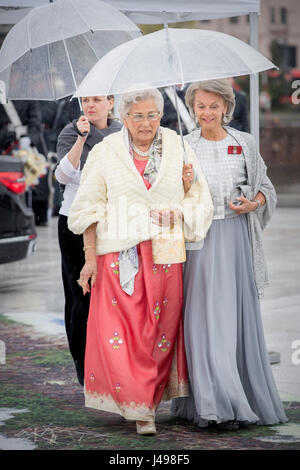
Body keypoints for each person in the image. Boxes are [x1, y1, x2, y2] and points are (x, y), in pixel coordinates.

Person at [67, 88, 213, 435]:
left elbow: (200, 197)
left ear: (161, 117)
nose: (145, 123)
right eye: (137, 116)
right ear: (124, 118)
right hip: (118, 254)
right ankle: (140, 407)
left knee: (159, 333)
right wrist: (89, 259)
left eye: (152, 115)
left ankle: (147, 399)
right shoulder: (104, 152)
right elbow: (88, 207)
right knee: (122, 333)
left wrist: (179, 208)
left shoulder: (178, 146)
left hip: (164, 253)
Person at [171, 79, 288, 430]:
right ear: (192, 109)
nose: (206, 113)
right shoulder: (181, 146)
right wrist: (184, 183)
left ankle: (237, 398)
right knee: (203, 323)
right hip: (199, 244)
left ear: (226, 107)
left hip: (238, 240)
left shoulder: (244, 143)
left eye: (213, 106)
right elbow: (167, 195)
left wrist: (253, 203)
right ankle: (214, 405)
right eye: (200, 106)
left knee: (233, 324)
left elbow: (265, 187)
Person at [55, 95, 121, 386]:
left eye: (97, 100)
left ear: (110, 102)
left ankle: (109, 359)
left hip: (112, 221)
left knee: (110, 295)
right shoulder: (71, 130)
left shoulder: (121, 131)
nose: (90, 105)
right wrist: (81, 140)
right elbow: (63, 175)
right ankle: (83, 366)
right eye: (85, 100)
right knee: (80, 294)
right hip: (75, 220)